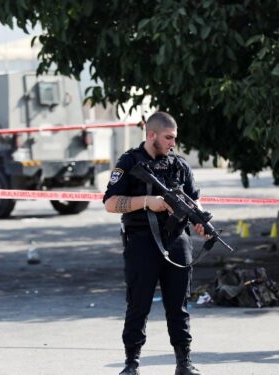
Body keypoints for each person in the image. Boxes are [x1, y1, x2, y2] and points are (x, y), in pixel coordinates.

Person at [103, 112, 204, 375]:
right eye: (168, 137)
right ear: (151, 135)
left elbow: (194, 198)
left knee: (178, 305)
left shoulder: (179, 165)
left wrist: (200, 220)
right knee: (139, 304)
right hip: (141, 242)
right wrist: (148, 202)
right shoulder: (129, 162)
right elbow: (110, 203)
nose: (173, 143)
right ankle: (131, 364)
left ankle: (184, 363)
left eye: (175, 138)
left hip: (177, 241)